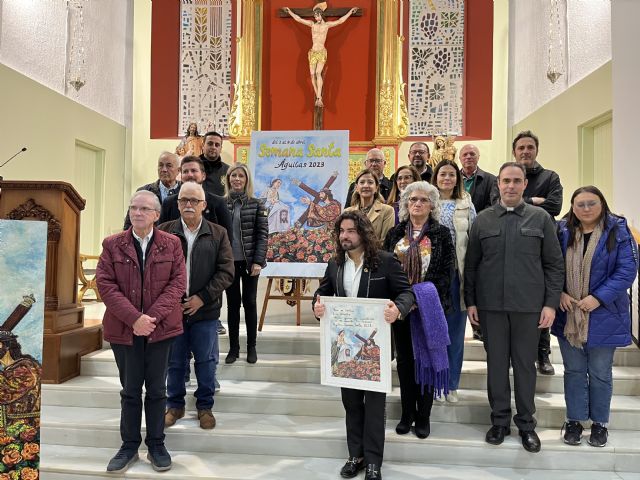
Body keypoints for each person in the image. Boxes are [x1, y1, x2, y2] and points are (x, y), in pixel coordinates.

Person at [464, 162, 564, 453]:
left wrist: (550, 304)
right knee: (496, 366)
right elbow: (472, 266)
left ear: (524, 185)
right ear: (498, 184)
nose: (510, 185)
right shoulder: (483, 220)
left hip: (528, 307)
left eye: (516, 180)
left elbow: (554, 265)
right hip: (491, 306)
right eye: (505, 180)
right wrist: (471, 301)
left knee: (524, 367)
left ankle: (526, 425)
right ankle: (499, 421)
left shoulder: (540, 218)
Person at [313, 210, 414, 480]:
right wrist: (317, 305)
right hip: (345, 350)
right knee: (352, 404)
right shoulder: (335, 263)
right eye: (341, 231)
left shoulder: (385, 261)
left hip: (374, 351)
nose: (344, 236)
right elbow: (322, 292)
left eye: (350, 231)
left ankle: (373, 462)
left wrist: (398, 309)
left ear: (364, 233)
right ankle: (355, 456)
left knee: (375, 407)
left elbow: (406, 293)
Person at [96, 190, 186, 473]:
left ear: (156, 215)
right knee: (131, 390)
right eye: (134, 207)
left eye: (144, 209)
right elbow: (105, 285)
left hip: (161, 329)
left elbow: (177, 284)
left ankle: (156, 444)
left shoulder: (172, 244)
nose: (137, 213)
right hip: (124, 330)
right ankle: (129, 446)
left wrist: (150, 319)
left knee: (158, 390)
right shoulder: (112, 244)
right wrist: (134, 319)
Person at [553, 186, 638, 447]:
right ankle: (575, 420)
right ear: (572, 207)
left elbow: (627, 270)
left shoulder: (618, 230)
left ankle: (600, 423)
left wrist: (598, 298)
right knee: (574, 371)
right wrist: (559, 293)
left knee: (600, 372)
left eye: (592, 203)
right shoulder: (562, 230)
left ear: (602, 204)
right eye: (580, 204)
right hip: (569, 313)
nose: (586, 208)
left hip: (605, 313)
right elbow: (551, 266)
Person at [158, 183, 234, 430]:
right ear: (177, 203)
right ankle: (174, 406)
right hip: (174, 312)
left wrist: (202, 298)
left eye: (194, 201)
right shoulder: (164, 232)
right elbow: (157, 271)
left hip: (206, 311)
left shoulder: (218, 233)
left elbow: (226, 272)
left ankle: (205, 407)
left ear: (204, 205)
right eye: (184, 200)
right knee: (175, 361)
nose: (188, 205)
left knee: (206, 361)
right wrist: (173, 301)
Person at [383, 181, 454, 437]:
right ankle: (407, 414)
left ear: (432, 205)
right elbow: (386, 268)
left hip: (428, 307)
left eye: (423, 200)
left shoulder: (441, 233)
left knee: (427, 361)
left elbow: (445, 273)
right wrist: (400, 301)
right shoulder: (395, 233)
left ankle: (423, 416)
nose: (417, 204)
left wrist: (418, 298)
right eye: (413, 199)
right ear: (406, 203)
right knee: (404, 362)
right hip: (399, 309)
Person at [491, 131, 564, 375]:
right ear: (514, 151)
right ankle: (515, 353)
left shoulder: (550, 177)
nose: (525, 151)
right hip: (508, 242)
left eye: (530, 147)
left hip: (539, 243)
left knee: (539, 301)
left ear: (536, 150)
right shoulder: (504, 175)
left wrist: (524, 201)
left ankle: (543, 354)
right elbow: (496, 202)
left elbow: (555, 206)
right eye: (521, 147)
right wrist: (535, 199)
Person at [159, 155, 233, 337]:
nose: (190, 174)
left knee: (205, 351)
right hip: (173, 301)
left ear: (203, 175)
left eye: (194, 170)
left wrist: (204, 297)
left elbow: (225, 258)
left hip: (207, 292)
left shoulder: (218, 204)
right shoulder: (169, 205)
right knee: (176, 353)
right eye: (185, 171)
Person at [432, 160, 476, 403]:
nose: (447, 178)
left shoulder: (466, 203)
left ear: (457, 179)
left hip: (457, 272)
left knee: (455, 332)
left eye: (451, 174)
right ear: (435, 178)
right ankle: (436, 382)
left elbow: (474, 237)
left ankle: (451, 384)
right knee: (434, 330)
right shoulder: (427, 201)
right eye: (442, 174)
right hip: (432, 274)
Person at [224, 163, 269, 365]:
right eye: (233, 175)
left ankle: (252, 346)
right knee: (232, 305)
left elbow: (263, 235)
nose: (237, 179)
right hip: (229, 263)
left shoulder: (257, 204)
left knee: (249, 303)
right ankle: (233, 348)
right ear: (228, 179)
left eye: (241, 176)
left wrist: (258, 261)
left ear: (247, 179)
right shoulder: (221, 204)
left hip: (250, 263)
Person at [283, 3, 358, 107]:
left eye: (317, 16)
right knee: (312, 74)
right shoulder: (312, 25)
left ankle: (318, 97)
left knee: (318, 73)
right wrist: (289, 12)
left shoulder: (326, 25)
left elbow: (340, 21)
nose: (316, 18)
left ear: (321, 15)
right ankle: (319, 98)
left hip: (321, 52)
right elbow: (299, 19)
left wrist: (350, 12)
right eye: (315, 16)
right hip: (313, 52)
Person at [123, 152, 181, 230]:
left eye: (169, 166)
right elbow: (129, 225)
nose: (164, 169)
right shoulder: (144, 192)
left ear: (178, 170)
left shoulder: (185, 192)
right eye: (161, 165)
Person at [345, 169, 395, 243]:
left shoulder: (387, 211)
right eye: (362, 182)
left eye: (370, 182)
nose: (366, 185)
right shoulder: (347, 212)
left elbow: (386, 242)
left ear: (376, 188)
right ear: (356, 188)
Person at [459, 144, 496, 214]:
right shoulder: (453, 179)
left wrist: (477, 217)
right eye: (465, 154)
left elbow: (492, 205)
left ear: (478, 157)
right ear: (460, 158)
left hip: (482, 220)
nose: (468, 157)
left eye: (472, 154)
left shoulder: (491, 180)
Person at [199, 131, 230, 197]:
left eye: (217, 145)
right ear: (203, 146)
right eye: (210, 144)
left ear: (221, 149)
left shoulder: (228, 170)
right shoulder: (192, 167)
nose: (213, 147)